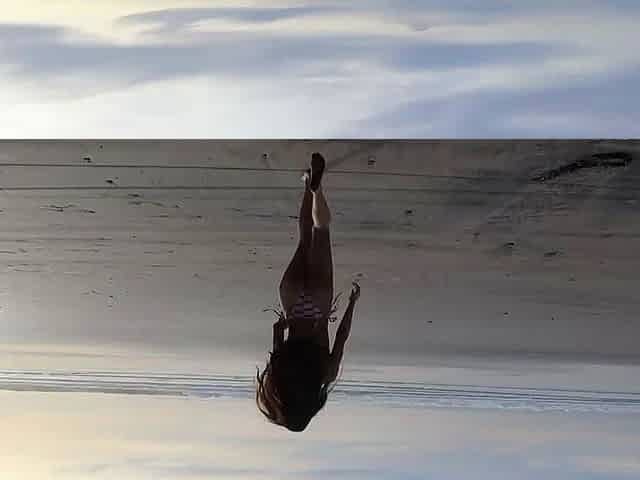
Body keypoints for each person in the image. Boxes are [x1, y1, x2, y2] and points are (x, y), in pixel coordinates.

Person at [256, 152, 361, 432]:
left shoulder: (326, 375)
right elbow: (278, 329)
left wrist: (352, 303)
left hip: (318, 302)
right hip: (292, 298)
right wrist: (290, 320)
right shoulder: (278, 377)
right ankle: (307, 185)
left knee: (321, 231)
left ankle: (317, 190)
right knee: (305, 239)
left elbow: (342, 335)